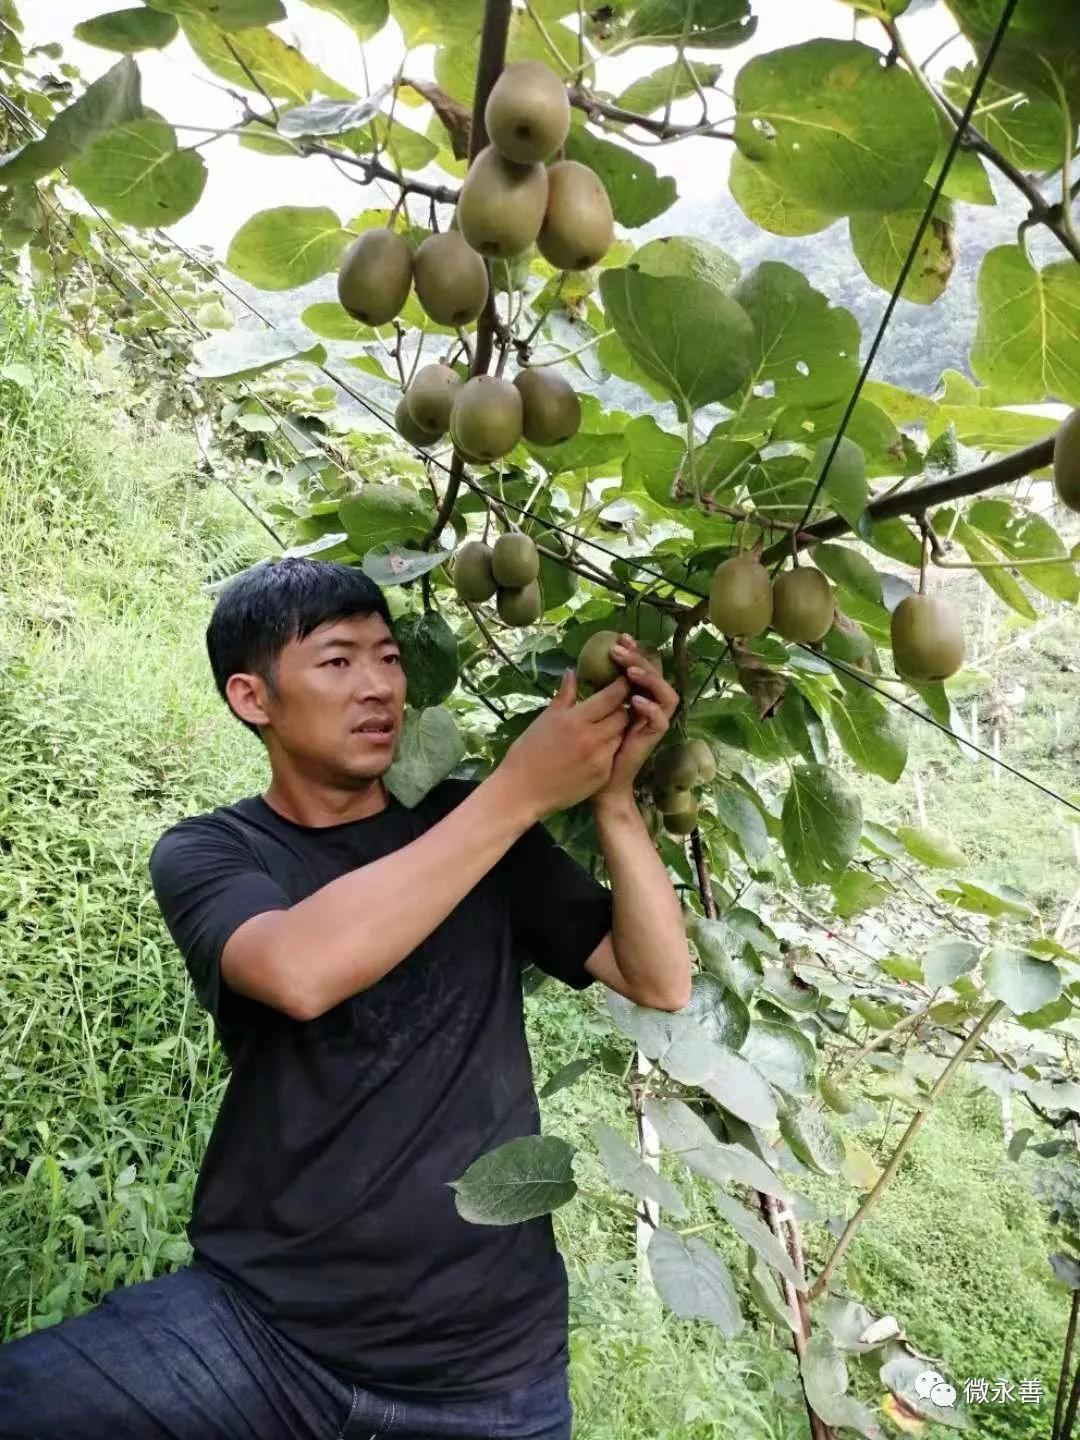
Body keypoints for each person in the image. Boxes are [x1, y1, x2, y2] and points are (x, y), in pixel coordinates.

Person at [0, 557, 691, 1440]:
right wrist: (517, 793)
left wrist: (616, 802)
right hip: (258, 1328)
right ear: (254, 699)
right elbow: (298, 971)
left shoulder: (473, 823)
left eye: (390, 658)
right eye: (337, 662)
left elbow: (659, 978)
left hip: (485, 1376)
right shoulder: (212, 853)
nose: (378, 687)